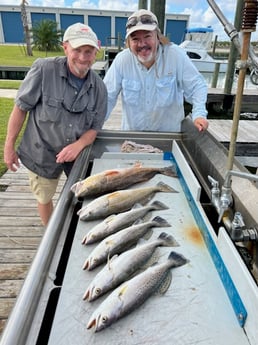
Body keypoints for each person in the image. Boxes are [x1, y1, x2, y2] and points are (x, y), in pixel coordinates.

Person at [4, 23, 107, 226]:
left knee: (82, 193)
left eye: (89, 51)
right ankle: (50, 233)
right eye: (77, 50)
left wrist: (78, 146)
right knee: (44, 196)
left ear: (97, 50)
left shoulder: (100, 88)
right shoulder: (43, 69)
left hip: (77, 154)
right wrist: (9, 146)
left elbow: (94, 129)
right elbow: (21, 108)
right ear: (65, 47)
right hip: (41, 151)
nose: (83, 57)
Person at [104, 9, 209, 132]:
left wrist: (199, 114)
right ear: (128, 42)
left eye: (147, 36)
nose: (142, 44)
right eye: (135, 39)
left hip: (169, 138)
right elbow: (106, 97)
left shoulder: (175, 55)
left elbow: (197, 86)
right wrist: (94, 126)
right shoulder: (122, 60)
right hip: (132, 138)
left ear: (158, 37)